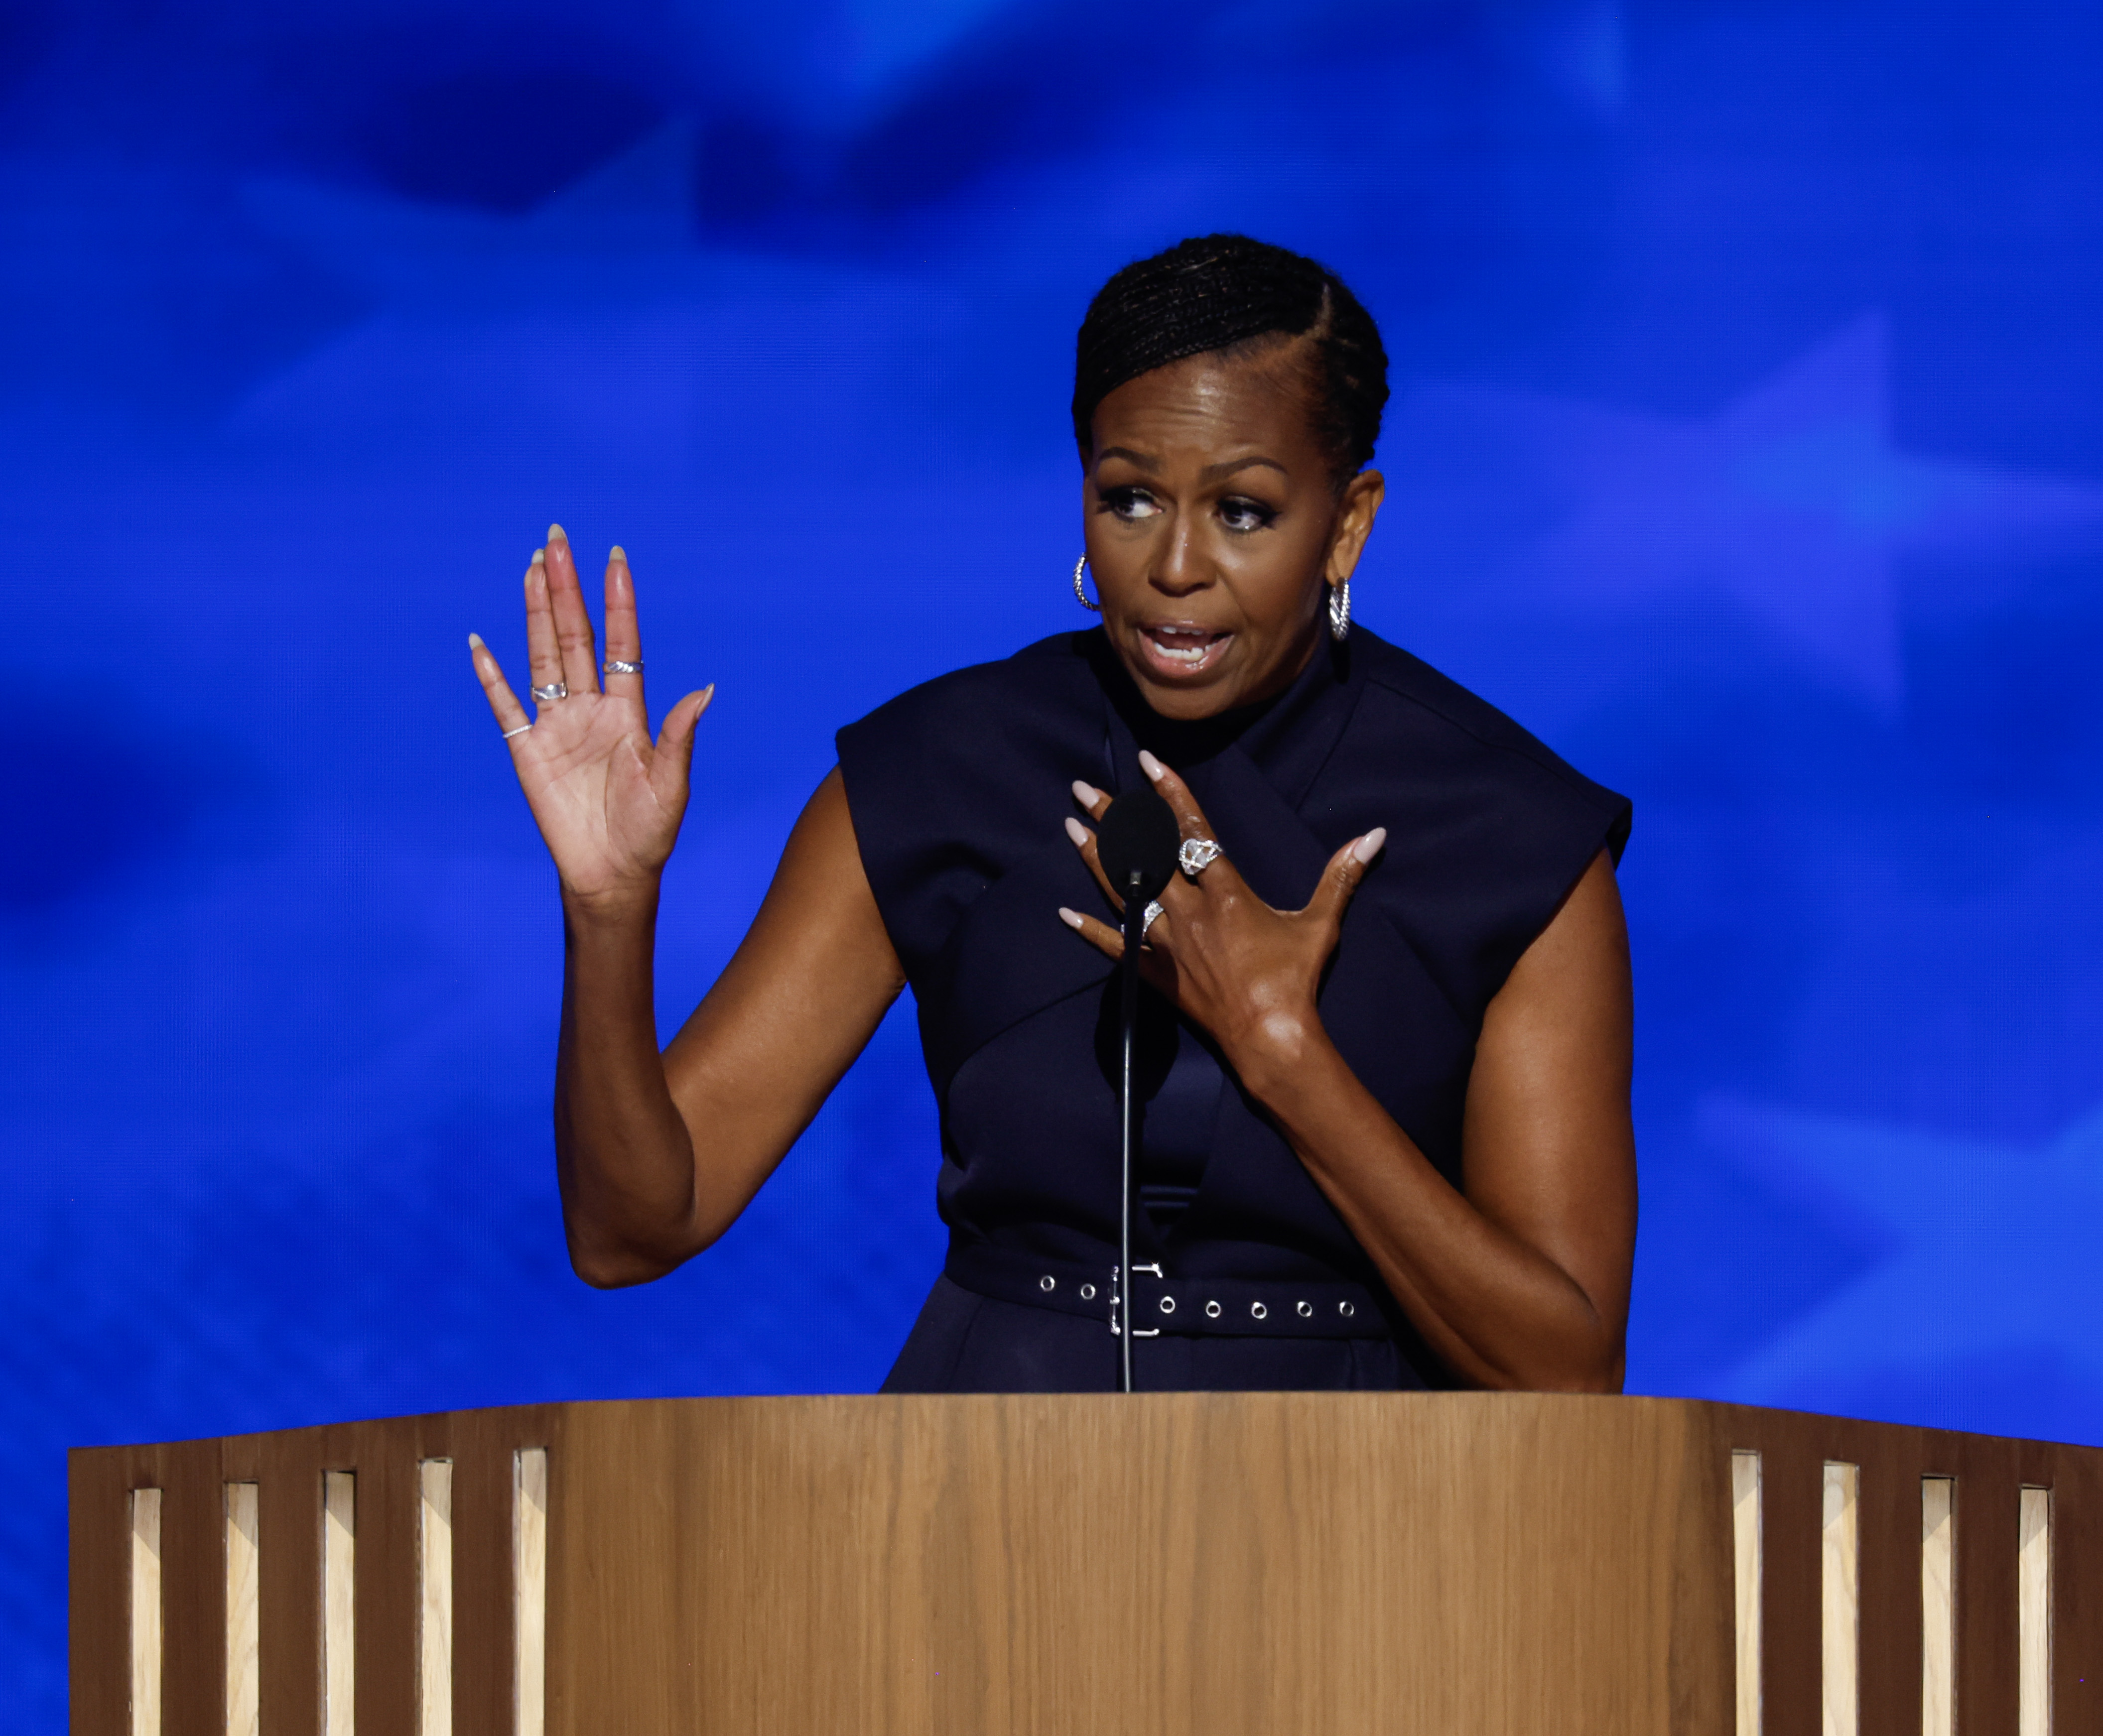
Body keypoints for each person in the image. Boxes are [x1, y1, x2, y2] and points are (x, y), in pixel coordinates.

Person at [467, 235, 1636, 1393]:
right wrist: (610, 909)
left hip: (1367, 1532)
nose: (1173, 565)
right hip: (973, 1514)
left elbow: (1567, 1369)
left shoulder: (1506, 834)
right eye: (1128, 499)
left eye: (1241, 511)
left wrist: (1285, 1055)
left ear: (1345, 525)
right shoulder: (940, 769)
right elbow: (632, 1229)